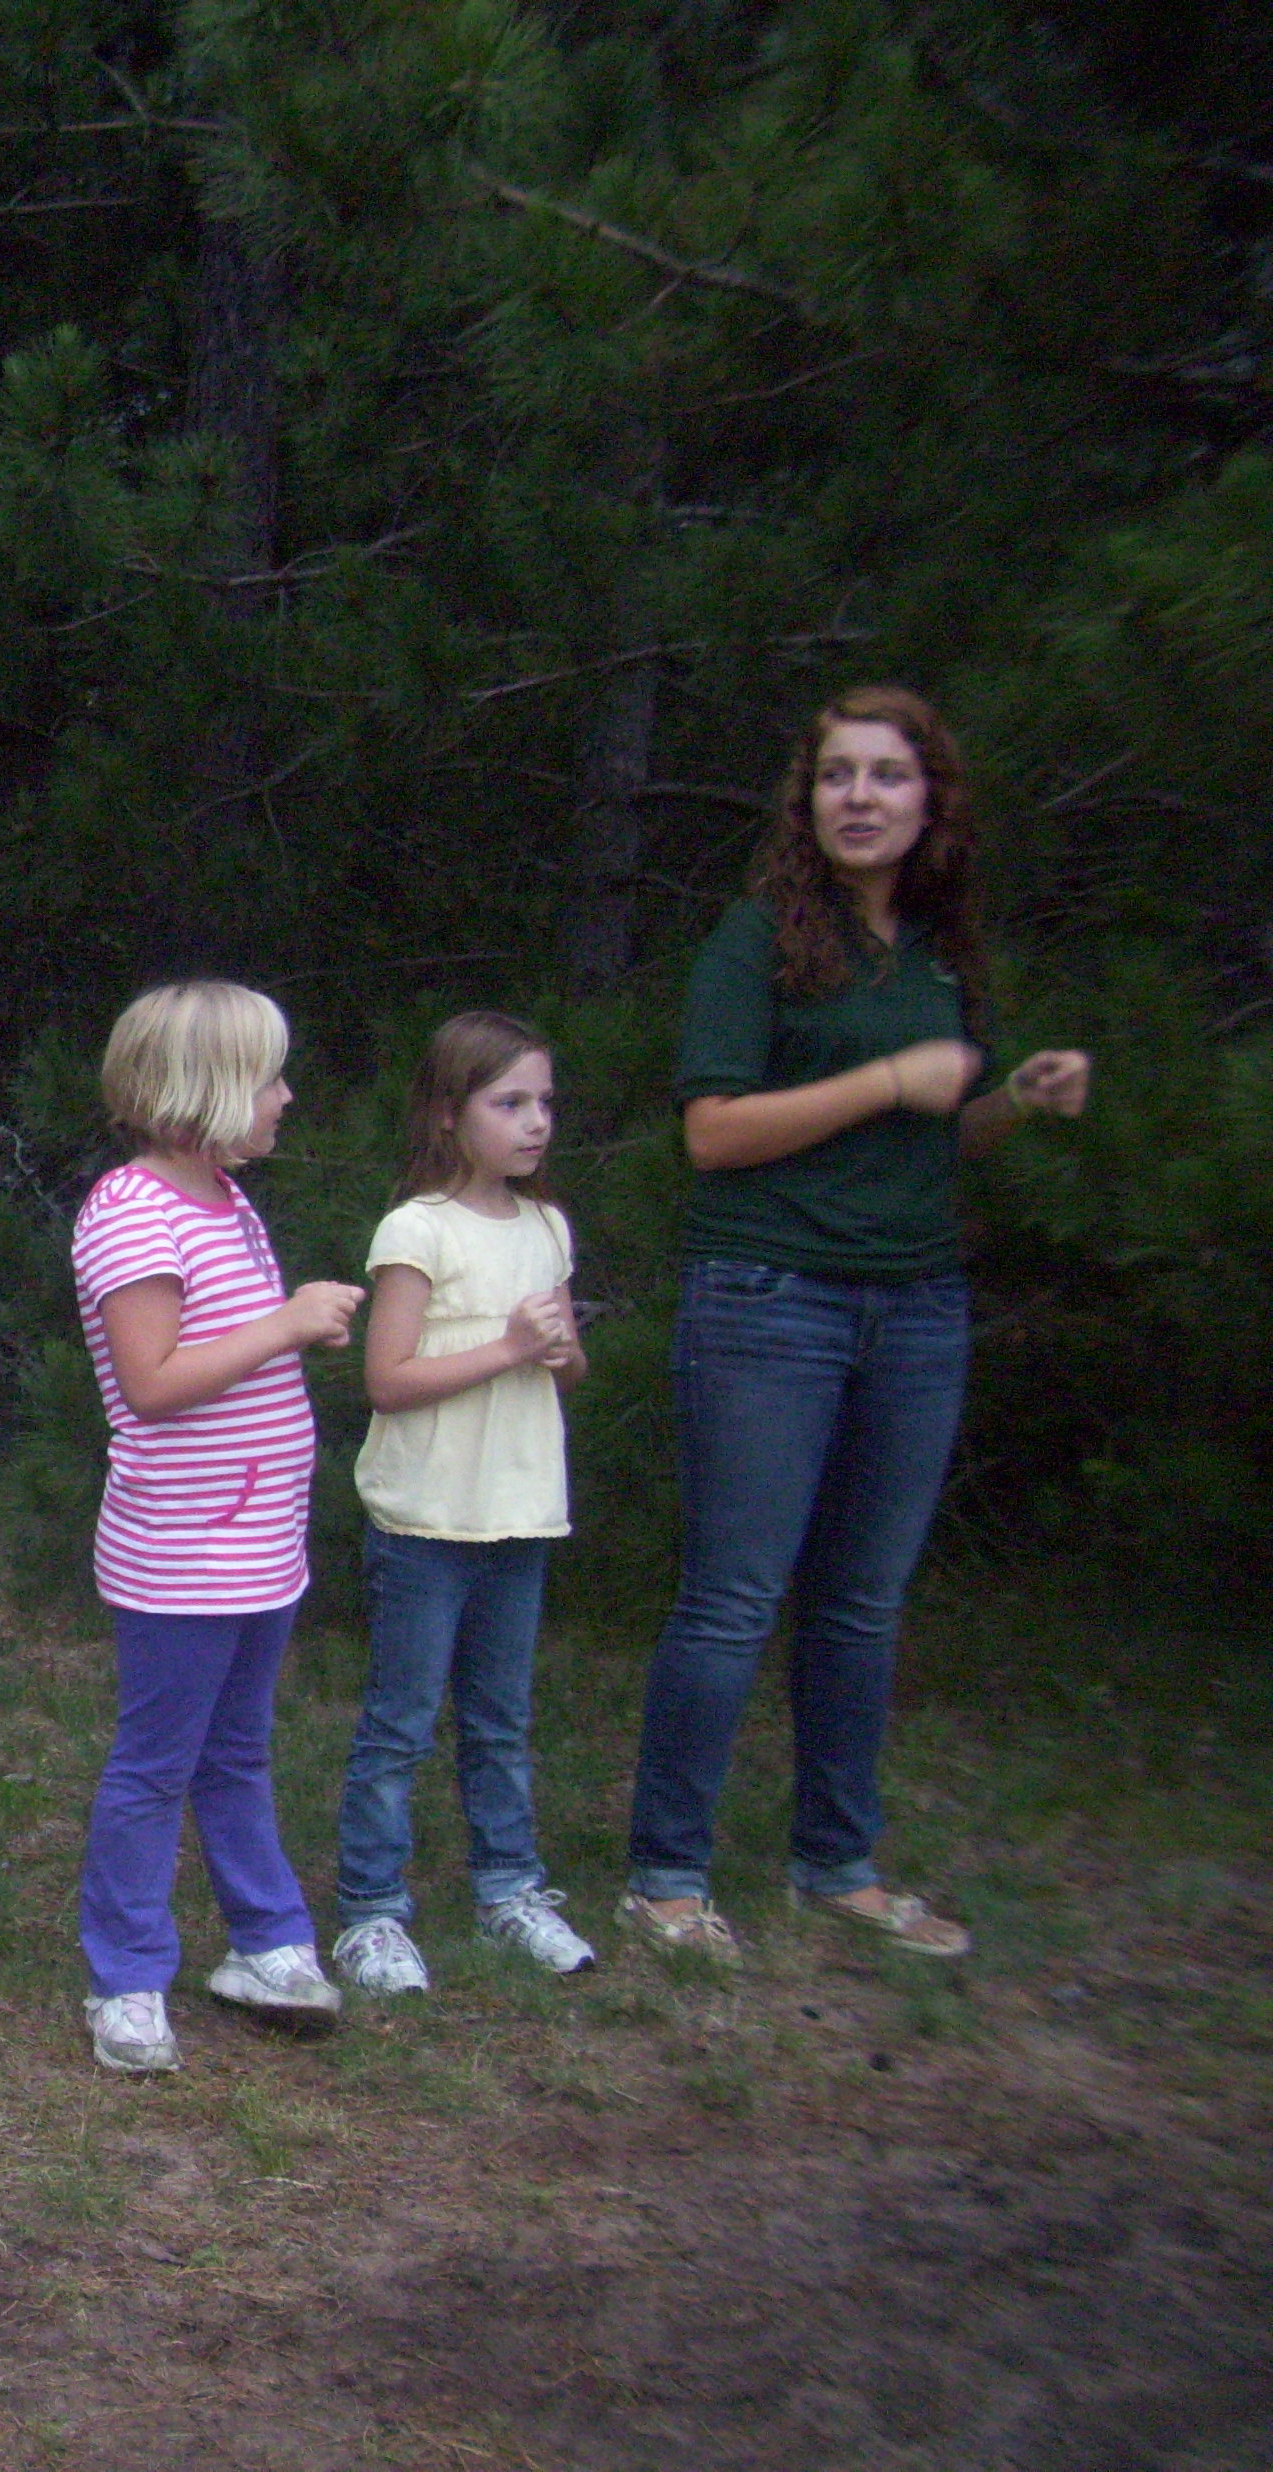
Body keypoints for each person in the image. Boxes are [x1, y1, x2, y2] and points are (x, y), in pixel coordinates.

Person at [622, 686, 1091, 1963]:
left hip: (916, 1306)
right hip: (767, 1298)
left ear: (928, 798)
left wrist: (1014, 1101)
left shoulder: (938, 948)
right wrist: (887, 1077)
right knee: (732, 1596)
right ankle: (663, 1876)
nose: (860, 797)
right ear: (806, 799)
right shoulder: (755, 940)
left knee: (861, 1604)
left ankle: (835, 1865)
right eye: (836, 775)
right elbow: (711, 1133)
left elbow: (937, 1129)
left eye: (886, 774)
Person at [69, 981, 365, 2072]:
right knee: (156, 1766)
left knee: (237, 1750)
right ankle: (126, 1978)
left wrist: (286, 1331)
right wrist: (286, 1325)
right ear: (207, 1088)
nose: (285, 1098)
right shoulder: (131, 1211)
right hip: (181, 1554)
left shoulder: (225, 1202)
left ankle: (267, 1941)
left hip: (258, 1550)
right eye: (270, 1079)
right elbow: (151, 1383)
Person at [330, 1012, 596, 1996]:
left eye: (544, 1103)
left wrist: (555, 1352)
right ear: (448, 1114)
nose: (536, 1123)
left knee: (500, 1721)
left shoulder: (546, 1227)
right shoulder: (417, 1229)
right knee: (398, 1725)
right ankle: (370, 1911)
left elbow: (567, 1368)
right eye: (509, 1103)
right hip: (426, 1519)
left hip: (518, 1512)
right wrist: (509, 1347)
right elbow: (387, 1379)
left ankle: (509, 1890)